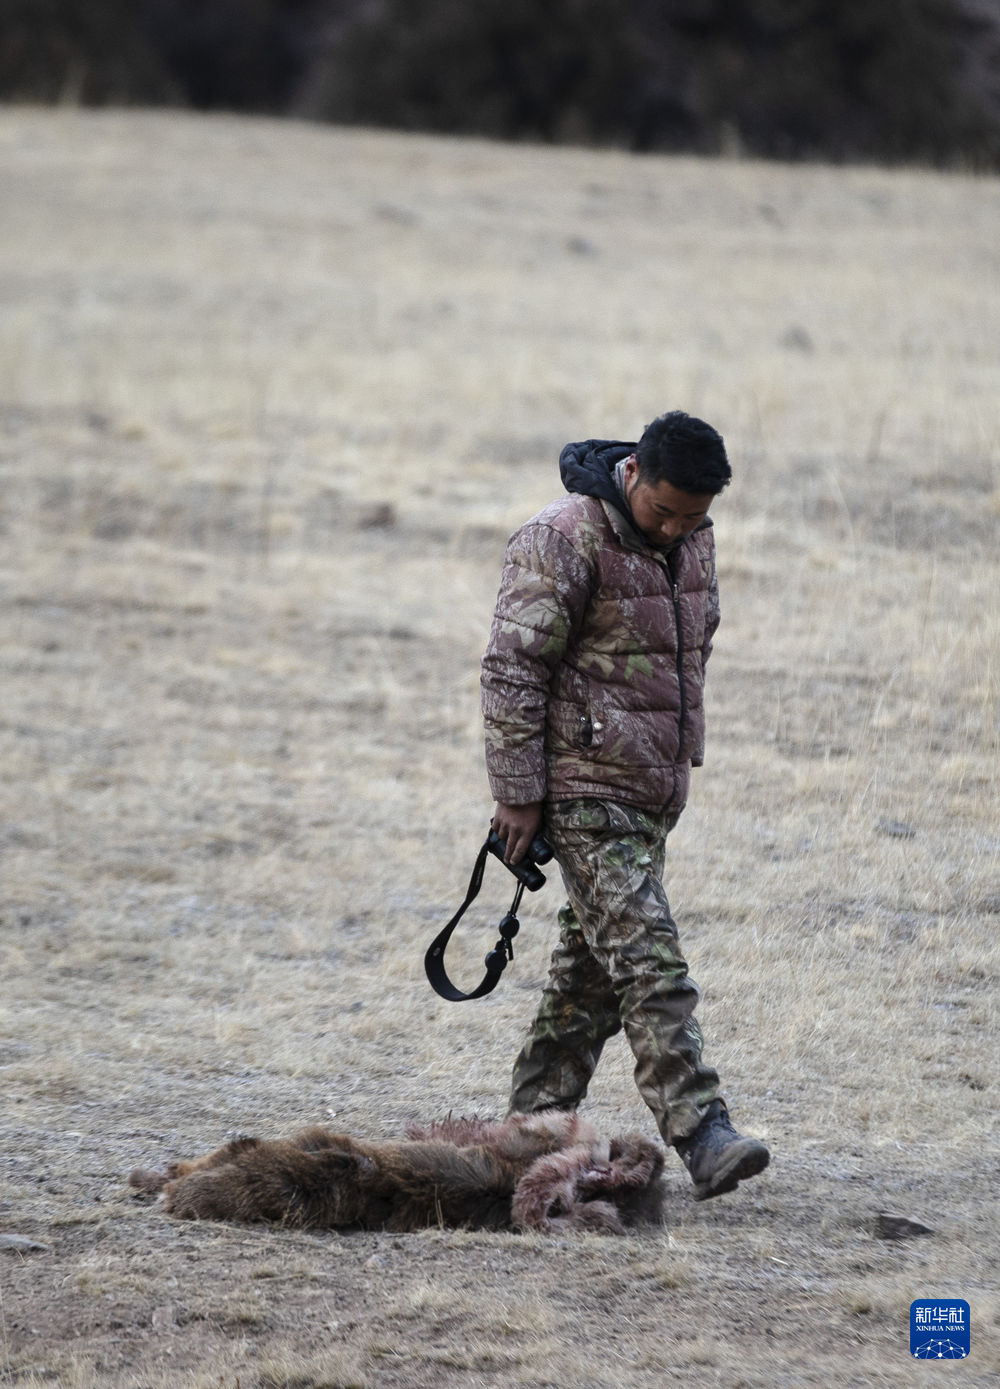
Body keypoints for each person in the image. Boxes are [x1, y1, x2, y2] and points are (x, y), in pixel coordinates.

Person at [480, 411, 770, 1200]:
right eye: (663, 510)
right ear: (632, 472)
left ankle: (523, 1140)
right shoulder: (562, 537)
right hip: (582, 790)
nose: (675, 527)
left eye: (692, 517)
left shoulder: (694, 540)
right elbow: (511, 668)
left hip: (649, 792)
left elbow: (692, 649)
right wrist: (518, 793)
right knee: (648, 956)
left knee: (589, 984)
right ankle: (702, 1129)